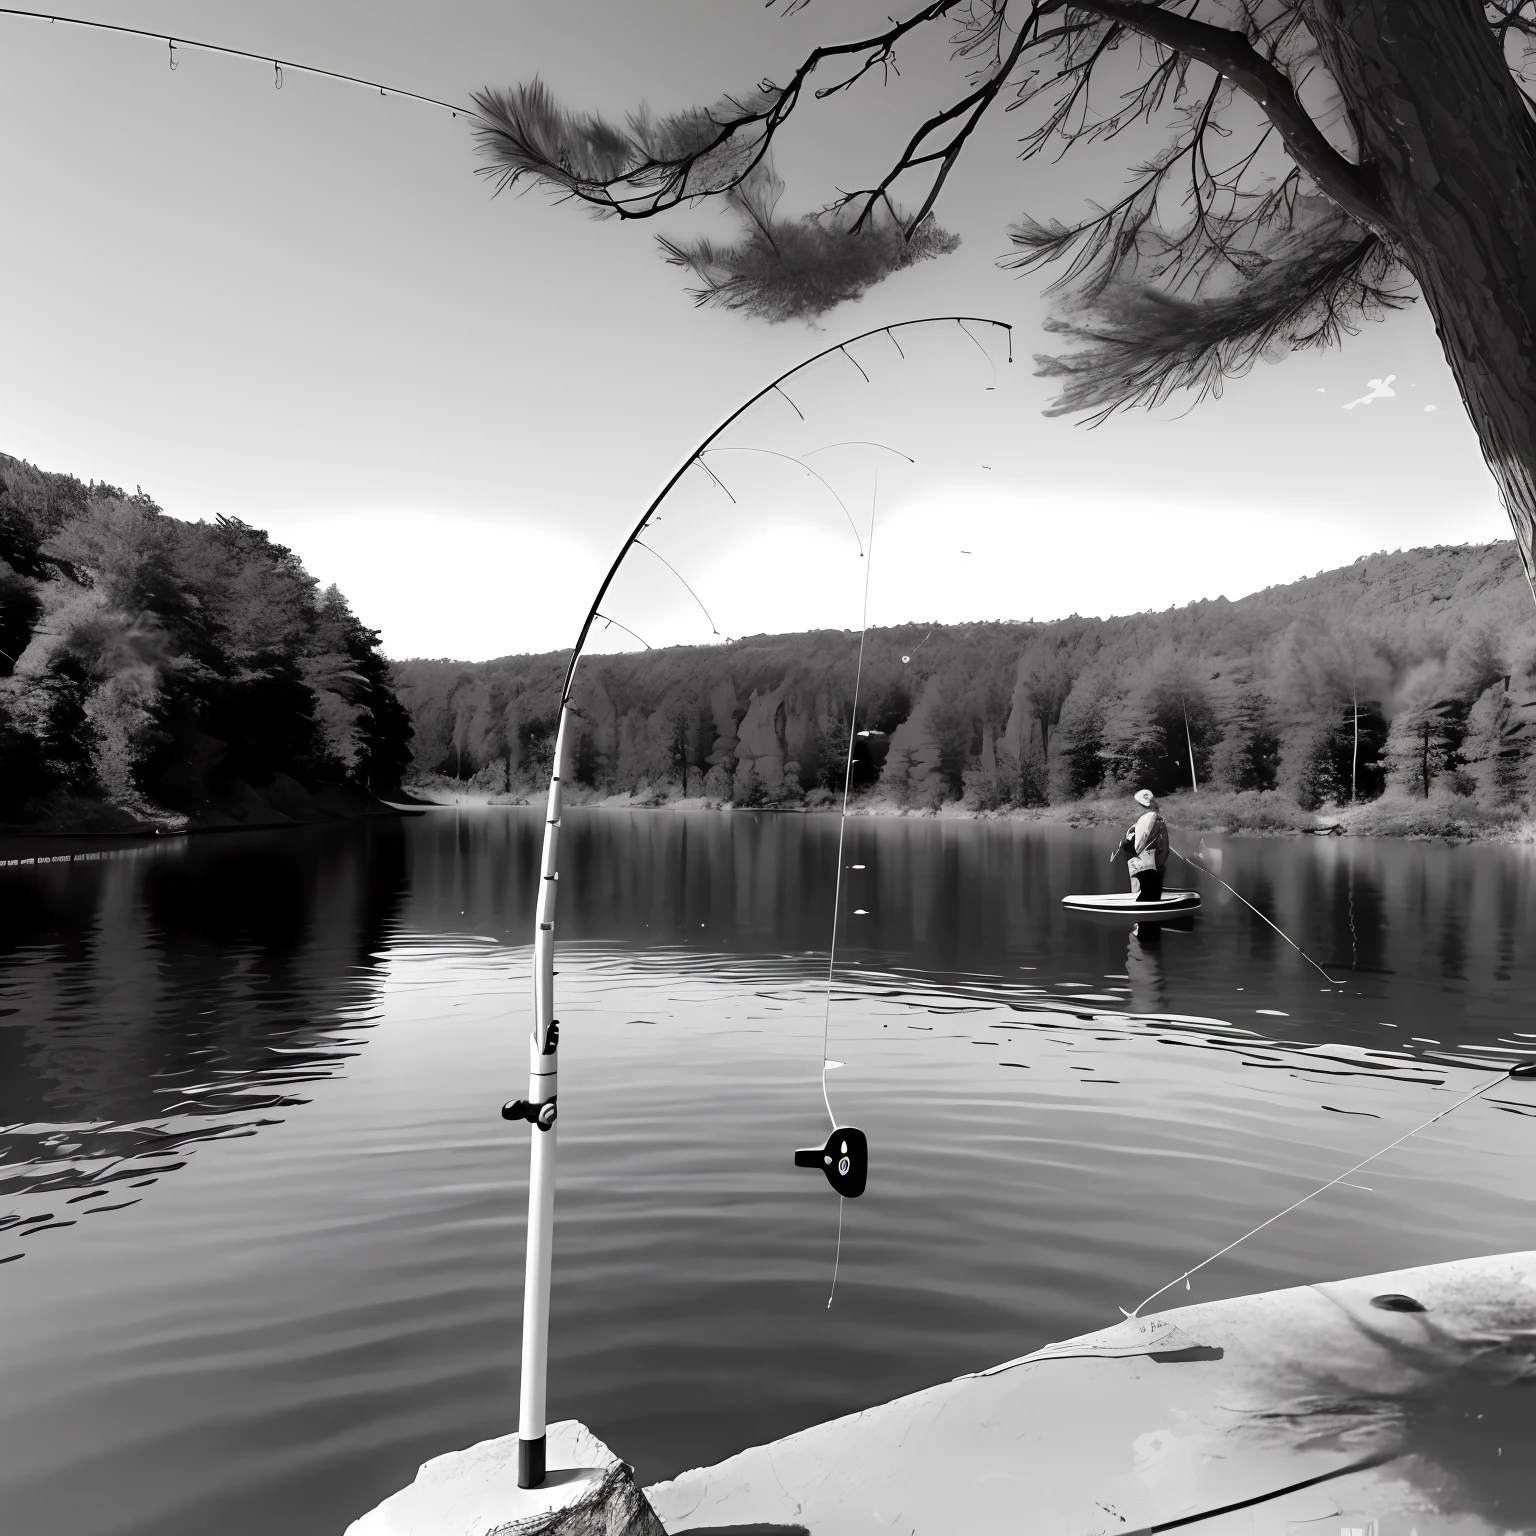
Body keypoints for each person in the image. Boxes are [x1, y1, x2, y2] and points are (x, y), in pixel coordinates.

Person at [1109, 788, 1170, 902]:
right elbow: (1164, 847)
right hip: (1150, 861)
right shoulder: (1157, 818)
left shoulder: (1145, 819)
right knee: (1149, 890)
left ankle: (1141, 903)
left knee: (1144, 892)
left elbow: (1135, 846)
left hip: (1142, 862)